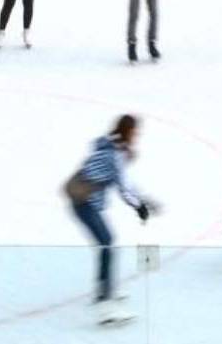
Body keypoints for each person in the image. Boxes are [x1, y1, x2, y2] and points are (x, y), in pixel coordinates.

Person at [66, 114, 155, 317]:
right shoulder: (115, 155)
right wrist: (139, 206)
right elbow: (123, 187)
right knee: (107, 244)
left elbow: (125, 182)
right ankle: (105, 304)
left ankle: (104, 291)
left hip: (84, 202)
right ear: (128, 132)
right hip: (84, 204)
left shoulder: (107, 145)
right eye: (135, 132)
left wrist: (142, 200)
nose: (137, 136)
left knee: (107, 244)